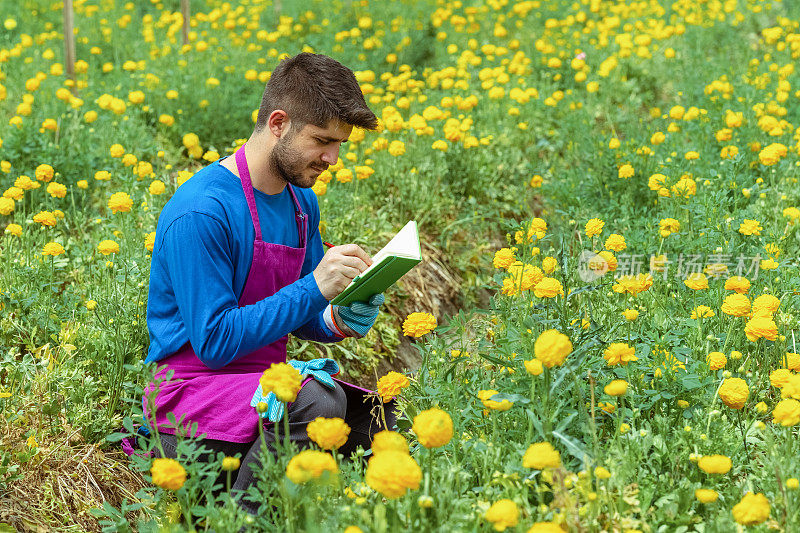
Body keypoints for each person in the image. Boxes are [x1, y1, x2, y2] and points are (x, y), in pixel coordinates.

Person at [140, 53, 395, 514]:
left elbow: (301, 314)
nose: (332, 158)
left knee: (382, 420)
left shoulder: (301, 205)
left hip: (258, 388)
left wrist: (338, 315)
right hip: (190, 397)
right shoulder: (202, 211)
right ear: (278, 123)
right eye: (322, 140)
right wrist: (314, 288)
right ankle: (242, 524)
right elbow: (215, 342)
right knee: (317, 400)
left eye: (339, 144)